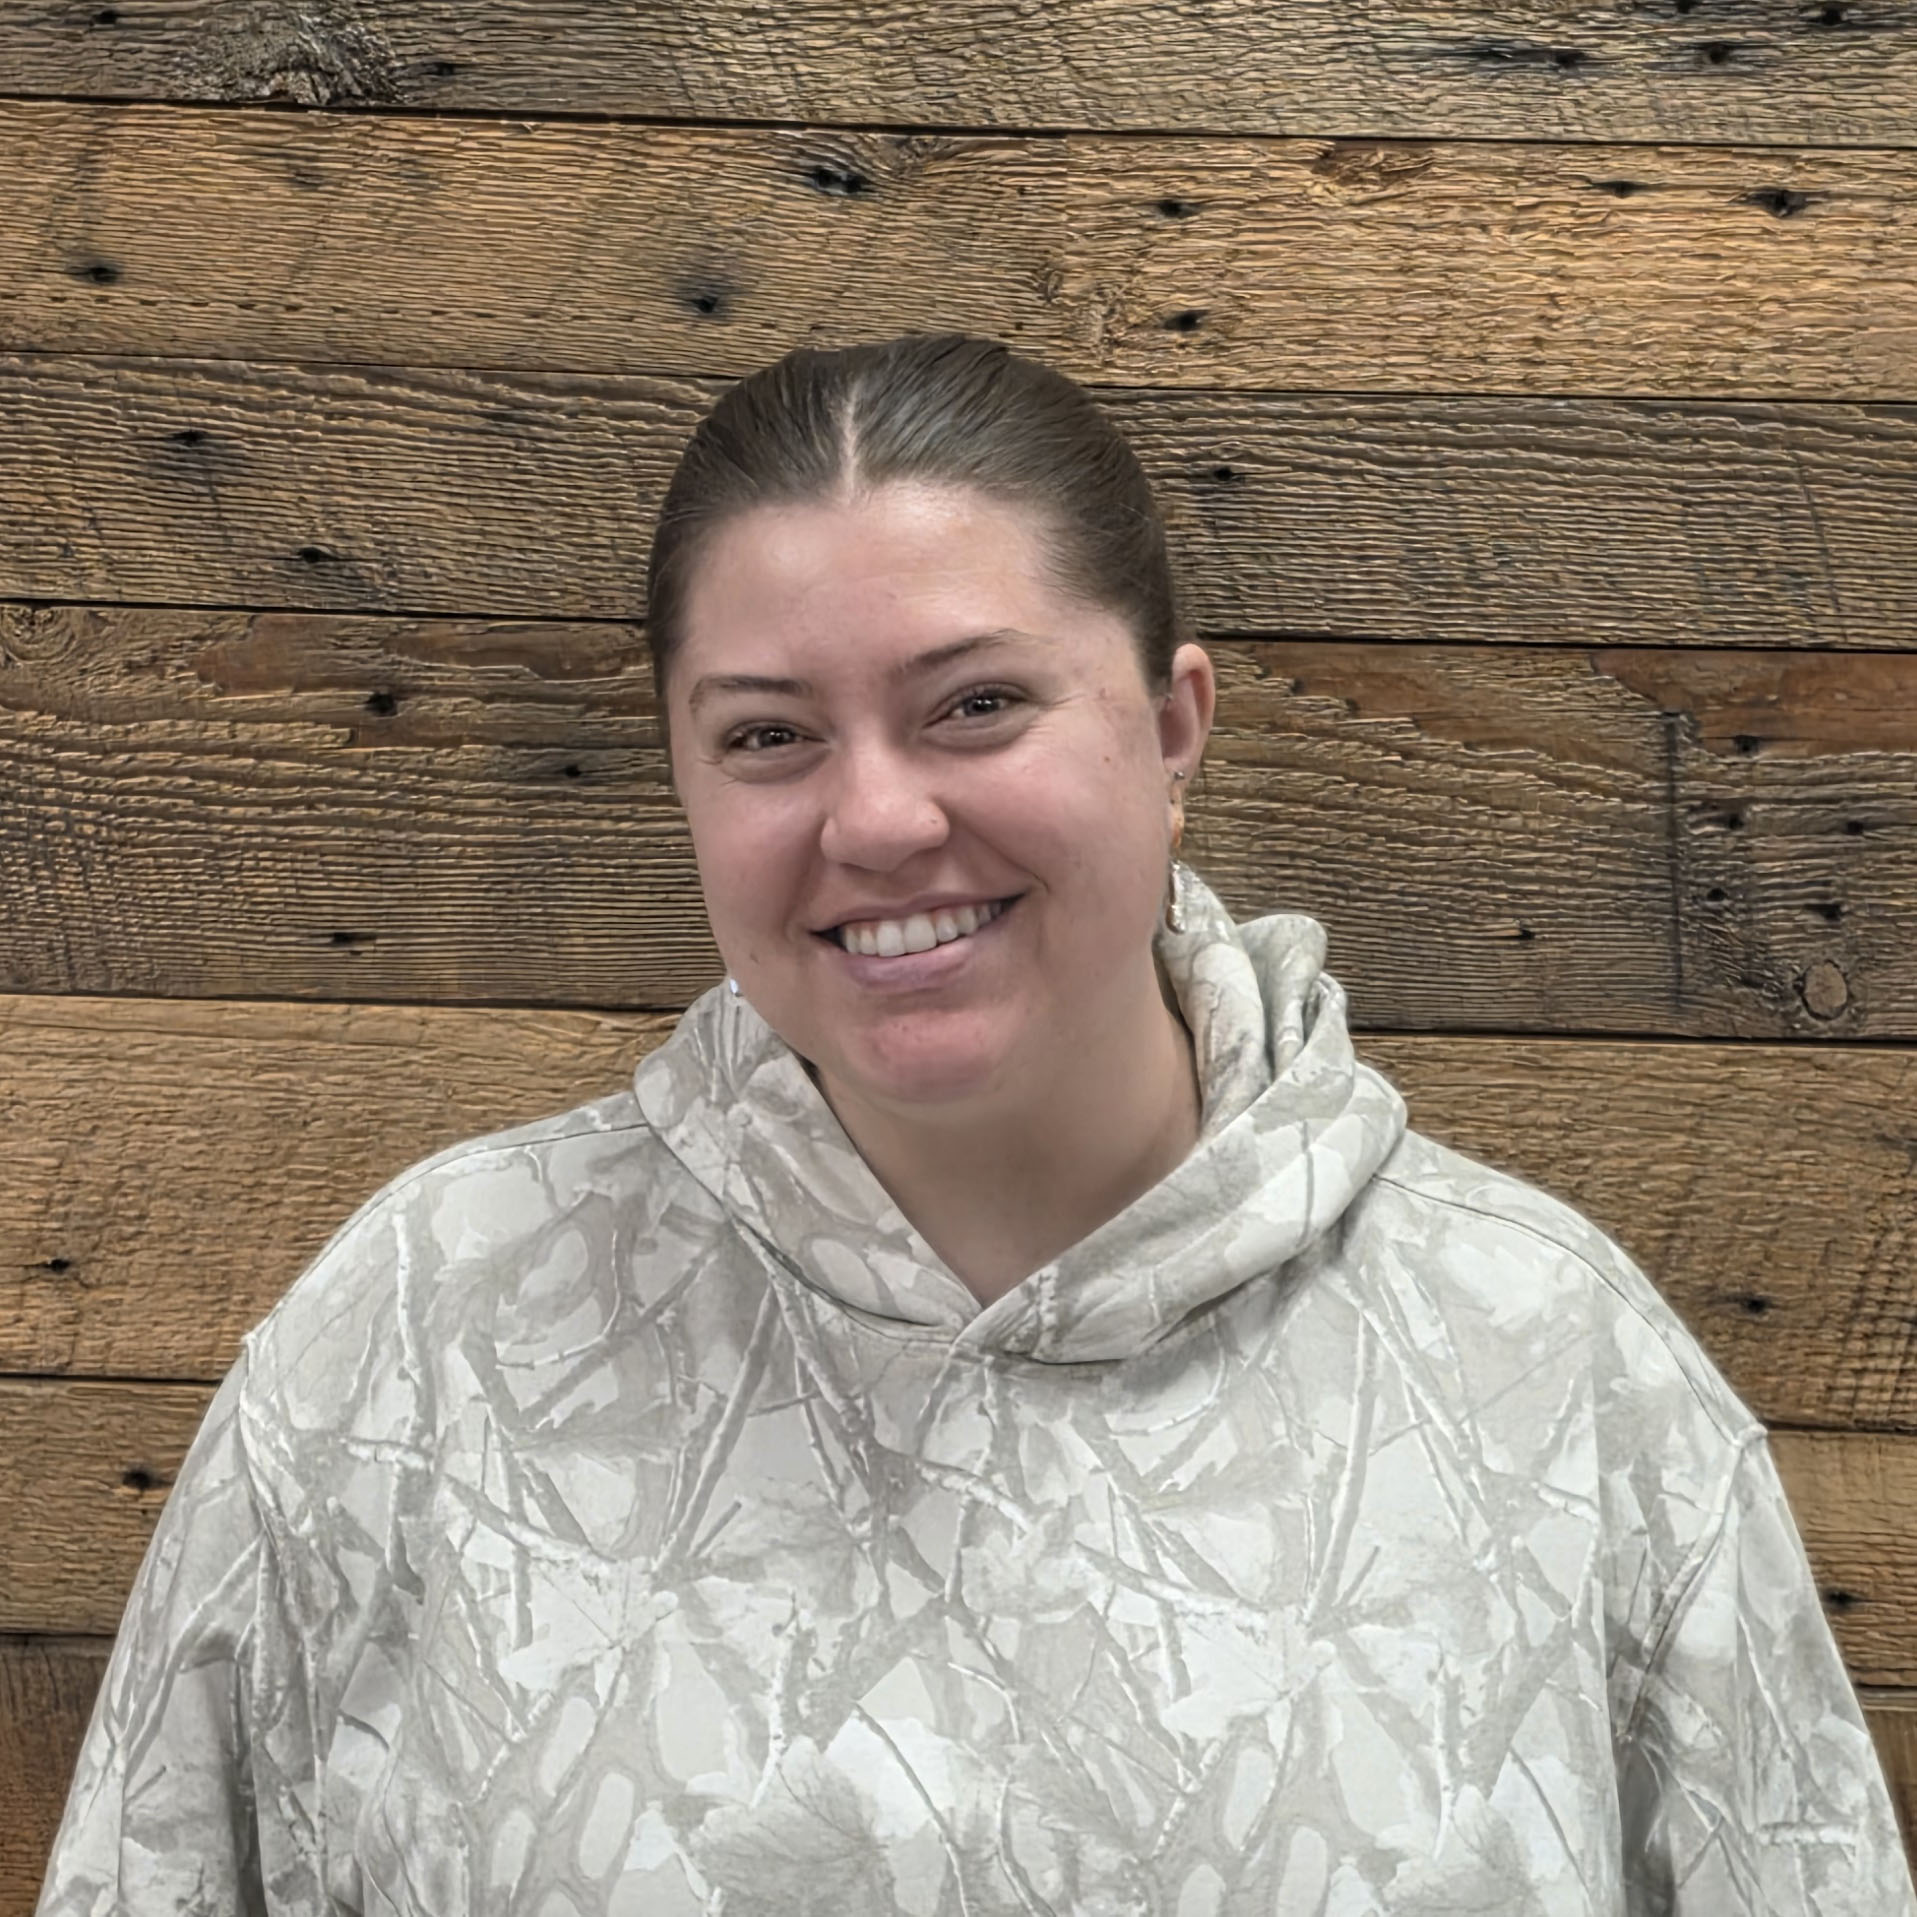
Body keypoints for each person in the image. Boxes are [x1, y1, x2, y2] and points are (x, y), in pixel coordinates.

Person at [37, 332, 1915, 1915]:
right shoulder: (423, 1341)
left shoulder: (1539, 1366)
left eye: (975, 705)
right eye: (768, 733)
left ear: (1174, 725)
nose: (874, 821)